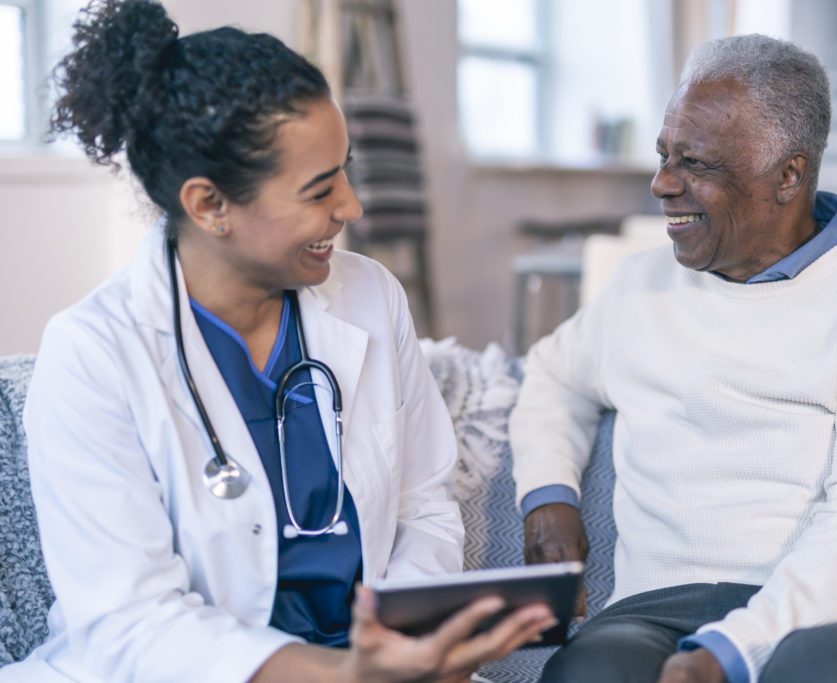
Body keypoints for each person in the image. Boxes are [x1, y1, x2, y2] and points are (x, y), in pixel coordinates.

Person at [7, 1, 555, 682]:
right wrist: (346, 675)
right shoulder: (93, 354)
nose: (352, 206)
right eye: (320, 189)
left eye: (345, 171)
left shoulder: (371, 297)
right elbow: (132, 625)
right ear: (210, 205)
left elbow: (423, 503)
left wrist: (409, 642)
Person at [511, 34, 837, 683]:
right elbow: (553, 375)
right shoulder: (638, 285)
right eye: (663, 155)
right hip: (656, 612)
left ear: (788, 175)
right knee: (594, 670)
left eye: (696, 164)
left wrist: (735, 649)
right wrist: (547, 496)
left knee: (822, 668)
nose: (661, 183)